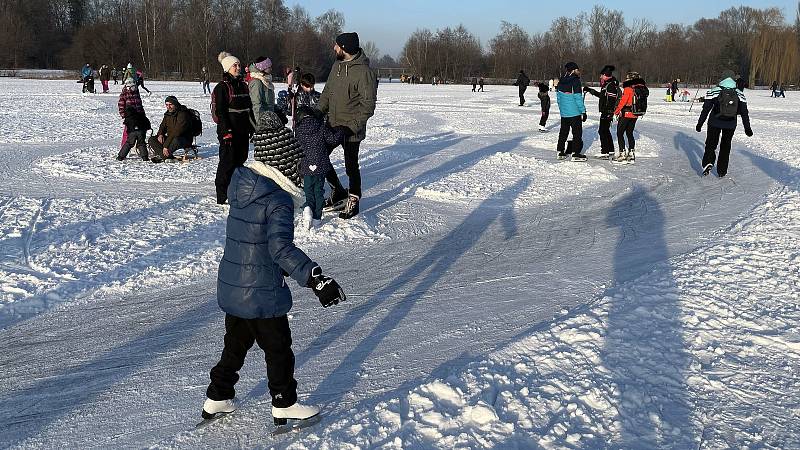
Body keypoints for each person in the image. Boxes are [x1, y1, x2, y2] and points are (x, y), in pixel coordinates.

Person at [201, 158, 347, 426]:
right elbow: (280, 250)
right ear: (284, 168)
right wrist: (315, 279)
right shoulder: (277, 199)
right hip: (261, 290)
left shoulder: (242, 186)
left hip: (234, 285)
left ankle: (218, 395)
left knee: (236, 343)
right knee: (278, 348)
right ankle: (285, 402)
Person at [318, 32, 377, 220]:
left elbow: (368, 106)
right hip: (332, 124)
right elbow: (327, 92)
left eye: (336, 45)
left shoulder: (364, 73)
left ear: (344, 48)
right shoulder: (336, 66)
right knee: (319, 156)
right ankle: (338, 191)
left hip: (351, 130)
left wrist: (353, 126)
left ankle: (354, 199)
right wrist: (317, 112)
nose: (334, 48)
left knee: (351, 165)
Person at [213, 51, 256, 204]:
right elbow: (221, 112)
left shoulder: (243, 86)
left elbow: (248, 109)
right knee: (227, 162)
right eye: (234, 66)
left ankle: (234, 190)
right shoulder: (222, 87)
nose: (238, 67)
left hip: (243, 131)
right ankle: (222, 195)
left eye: (238, 65)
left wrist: (253, 129)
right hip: (229, 133)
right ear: (227, 68)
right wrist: (226, 132)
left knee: (240, 161)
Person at [294, 106, 347, 229]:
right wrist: (341, 131)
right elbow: (332, 140)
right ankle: (317, 218)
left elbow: (297, 147)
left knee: (309, 191)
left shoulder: (299, 130)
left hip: (307, 166)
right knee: (318, 192)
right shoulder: (321, 127)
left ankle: (307, 208)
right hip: (320, 166)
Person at [696, 70, 753, 177]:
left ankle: (708, 162)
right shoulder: (739, 93)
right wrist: (747, 128)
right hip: (731, 124)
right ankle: (722, 171)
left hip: (714, 122)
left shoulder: (714, 91)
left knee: (711, 144)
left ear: (722, 78)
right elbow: (744, 113)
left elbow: (706, 109)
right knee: (726, 146)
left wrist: (700, 123)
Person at [583, 65, 620, 158]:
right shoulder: (607, 85)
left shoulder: (610, 85)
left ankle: (605, 151)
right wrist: (590, 90)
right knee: (606, 130)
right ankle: (610, 149)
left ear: (606, 75)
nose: (600, 77)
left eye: (602, 75)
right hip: (606, 111)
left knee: (602, 131)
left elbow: (612, 100)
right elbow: (602, 96)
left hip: (607, 112)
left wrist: (609, 112)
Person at [613, 72, 647, 164]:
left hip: (626, 113)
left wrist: (616, 111)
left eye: (627, 78)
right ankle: (631, 153)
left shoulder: (628, 88)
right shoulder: (640, 87)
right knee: (629, 133)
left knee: (620, 133)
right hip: (635, 114)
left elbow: (624, 100)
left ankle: (622, 153)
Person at [555, 62, 587, 161]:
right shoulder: (575, 81)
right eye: (577, 70)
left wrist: (562, 109)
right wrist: (583, 111)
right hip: (574, 112)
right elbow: (577, 98)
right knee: (577, 133)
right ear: (573, 70)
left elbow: (558, 97)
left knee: (563, 132)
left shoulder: (561, 81)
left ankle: (560, 151)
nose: (579, 72)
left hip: (564, 113)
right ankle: (576, 153)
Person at [147, 96, 193, 162]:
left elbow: (177, 132)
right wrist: (160, 134)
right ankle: (168, 157)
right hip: (171, 138)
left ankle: (162, 156)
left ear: (175, 104)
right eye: (167, 105)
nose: (168, 107)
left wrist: (166, 146)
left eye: (170, 105)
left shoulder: (183, 114)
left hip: (183, 139)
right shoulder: (167, 114)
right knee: (152, 139)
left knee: (176, 140)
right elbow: (162, 126)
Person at [248, 56, 276, 128]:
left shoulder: (266, 80)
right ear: (263, 68)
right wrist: (261, 124)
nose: (271, 69)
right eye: (269, 67)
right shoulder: (257, 82)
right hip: (263, 121)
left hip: (270, 118)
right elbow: (257, 104)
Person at [117, 77, 145, 148]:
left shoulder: (136, 92)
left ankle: (139, 146)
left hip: (139, 116)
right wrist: (123, 115)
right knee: (128, 131)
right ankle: (124, 146)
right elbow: (121, 105)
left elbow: (139, 104)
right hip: (130, 116)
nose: (133, 88)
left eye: (134, 86)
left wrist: (142, 114)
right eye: (132, 87)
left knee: (140, 130)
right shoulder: (124, 93)